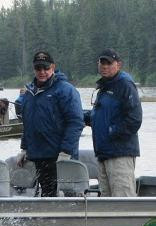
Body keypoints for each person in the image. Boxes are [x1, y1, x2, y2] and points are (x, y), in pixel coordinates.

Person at [16, 51, 84, 197]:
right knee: (47, 197)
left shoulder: (66, 90)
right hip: (39, 156)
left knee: (67, 199)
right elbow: (28, 123)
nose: (42, 72)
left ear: (53, 67)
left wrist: (66, 151)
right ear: (34, 69)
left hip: (60, 156)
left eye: (46, 68)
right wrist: (24, 148)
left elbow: (76, 122)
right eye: (38, 68)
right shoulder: (29, 92)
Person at [84, 48, 142, 197]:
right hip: (103, 154)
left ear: (118, 65)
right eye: (102, 62)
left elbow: (134, 120)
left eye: (109, 63)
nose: (104, 66)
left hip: (120, 154)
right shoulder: (104, 87)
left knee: (123, 203)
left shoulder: (124, 85)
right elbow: (103, 117)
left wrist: (111, 132)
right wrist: (82, 116)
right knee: (106, 205)